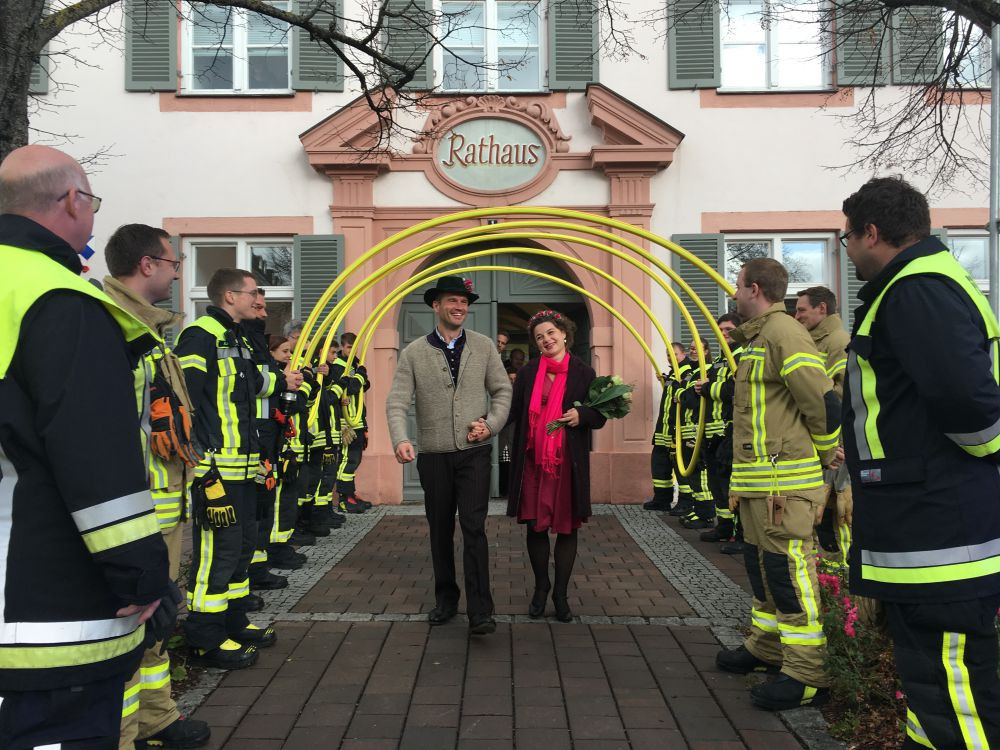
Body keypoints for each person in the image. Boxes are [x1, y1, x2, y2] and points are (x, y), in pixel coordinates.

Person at [0, 145, 171, 747]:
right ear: (73, 201)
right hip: (42, 599)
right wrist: (144, 577)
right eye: (92, 202)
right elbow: (95, 460)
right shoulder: (60, 300)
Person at [842, 176, 1000, 748]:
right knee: (934, 692)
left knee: (953, 696)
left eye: (847, 238)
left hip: (938, 532)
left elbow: (966, 401)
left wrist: (990, 454)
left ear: (873, 232)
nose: (849, 250)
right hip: (928, 526)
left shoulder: (915, 289)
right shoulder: (917, 284)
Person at [715, 257, 841, 712]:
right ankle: (767, 650)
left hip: (783, 485)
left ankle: (808, 675)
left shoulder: (784, 334)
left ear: (754, 289)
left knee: (789, 575)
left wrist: (829, 451)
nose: (733, 292)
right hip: (758, 486)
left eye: (737, 284)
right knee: (761, 570)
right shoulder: (759, 338)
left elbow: (822, 402)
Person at [103, 224, 212, 749]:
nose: (177, 273)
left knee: (158, 620)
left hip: (160, 510)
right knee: (129, 629)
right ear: (147, 264)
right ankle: (123, 736)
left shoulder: (146, 331)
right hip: (133, 513)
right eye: (173, 264)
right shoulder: (112, 328)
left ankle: (157, 716)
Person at [386, 275, 511, 634]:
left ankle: (481, 610)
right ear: (436, 305)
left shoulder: (485, 346)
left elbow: (502, 391)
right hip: (434, 454)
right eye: (452, 301)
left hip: (474, 452)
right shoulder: (413, 352)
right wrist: (400, 438)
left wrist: (491, 424)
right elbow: (397, 402)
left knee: (474, 527)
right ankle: (446, 598)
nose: (460, 307)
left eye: (464, 302)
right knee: (440, 529)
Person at [175, 268, 279, 669]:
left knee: (239, 550)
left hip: (245, 467)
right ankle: (204, 637)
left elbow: (257, 387)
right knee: (215, 554)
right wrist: (201, 463)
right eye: (253, 293)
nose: (257, 300)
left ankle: (234, 622)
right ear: (230, 295)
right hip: (217, 469)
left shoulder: (235, 335)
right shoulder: (201, 334)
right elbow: (187, 399)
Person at [504, 310, 607, 622]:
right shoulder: (528, 373)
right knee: (535, 527)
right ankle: (540, 588)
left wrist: (582, 416)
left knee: (566, 528)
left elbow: (600, 415)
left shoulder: (583, 373)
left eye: (550, 333)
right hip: (534, 462)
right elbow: (512, 412)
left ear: (564, 333)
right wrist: (484, 424)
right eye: (539, 337)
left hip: (566, 465)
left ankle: (560, 594)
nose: (546, 339)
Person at [244, 290, 303, 592]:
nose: (264, 312)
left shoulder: (253, 345)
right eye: (257, 305)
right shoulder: (249, 349)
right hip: (255, 442)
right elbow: (251, 385)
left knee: (265, 509)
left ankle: (259, 566)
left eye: (265, 306)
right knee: (258, 511)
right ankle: (254, 569)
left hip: (269, 441)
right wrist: (283, 382)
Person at [794, 286, 852, 567]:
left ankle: (843, 576)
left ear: (822, 309)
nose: (797, 315)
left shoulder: (838, 342)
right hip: (821, 440)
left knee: (838, 510)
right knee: (821, 511)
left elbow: (838, 397)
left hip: (833, 444)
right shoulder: (813, 341)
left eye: (801, 309)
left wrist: (833, 443)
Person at [694, 313, 743, 546]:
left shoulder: (743, 355)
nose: (724, 334)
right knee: (717, 483)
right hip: (714, 432)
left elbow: (734, 390)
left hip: (733, 430)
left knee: (733, 484)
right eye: (720, 330)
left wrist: (708, 388)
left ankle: (741, 533)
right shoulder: (720, 361)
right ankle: (724, 526)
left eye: (729, 329)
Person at [644, 341, 690, 512]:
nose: (671, 358)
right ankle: (662, 499)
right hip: (664, 431)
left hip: (675, 431)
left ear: (683, 354)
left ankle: (685, 503)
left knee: (680, 468)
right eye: (669, 355)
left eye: (674, 354)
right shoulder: (673, 374)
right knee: (660, 466)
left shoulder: (687, 372)